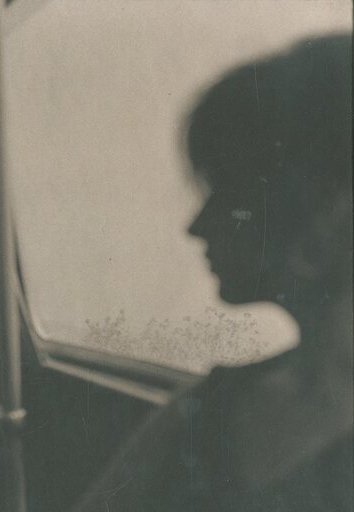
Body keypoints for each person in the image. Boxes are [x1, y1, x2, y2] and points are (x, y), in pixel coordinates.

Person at [72, 34, 352, 512]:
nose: (196, 226)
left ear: (323, 212)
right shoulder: (208, 409)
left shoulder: (206, 411)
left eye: (228, 193)